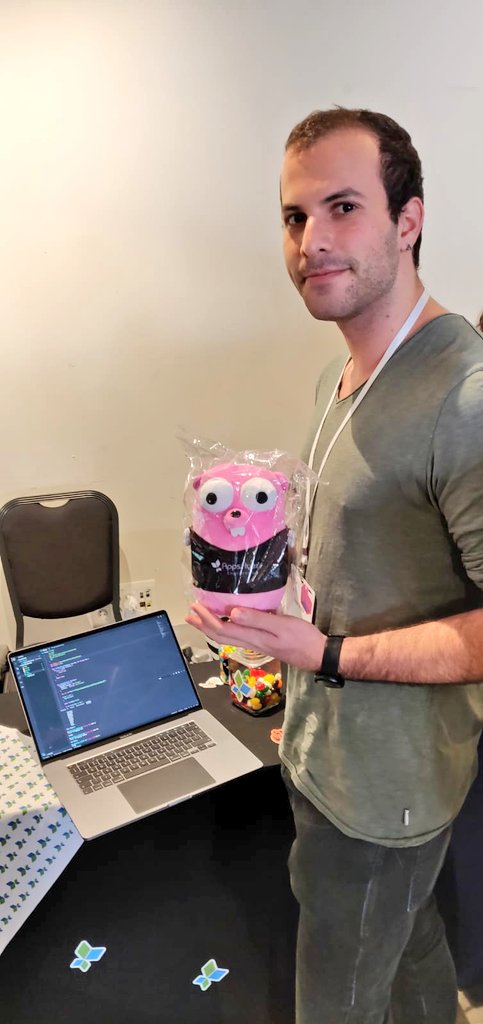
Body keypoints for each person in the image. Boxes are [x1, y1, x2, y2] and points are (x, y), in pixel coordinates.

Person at [187, 107, 483, 1024]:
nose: (310, 240)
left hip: (386, 795)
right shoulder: (338, 377)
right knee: (411, 945)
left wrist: (326, 656)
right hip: (325, 751)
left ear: (407, 221)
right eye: (294, 215)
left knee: (337, 999)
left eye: (343, 207)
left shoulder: (466, 398)